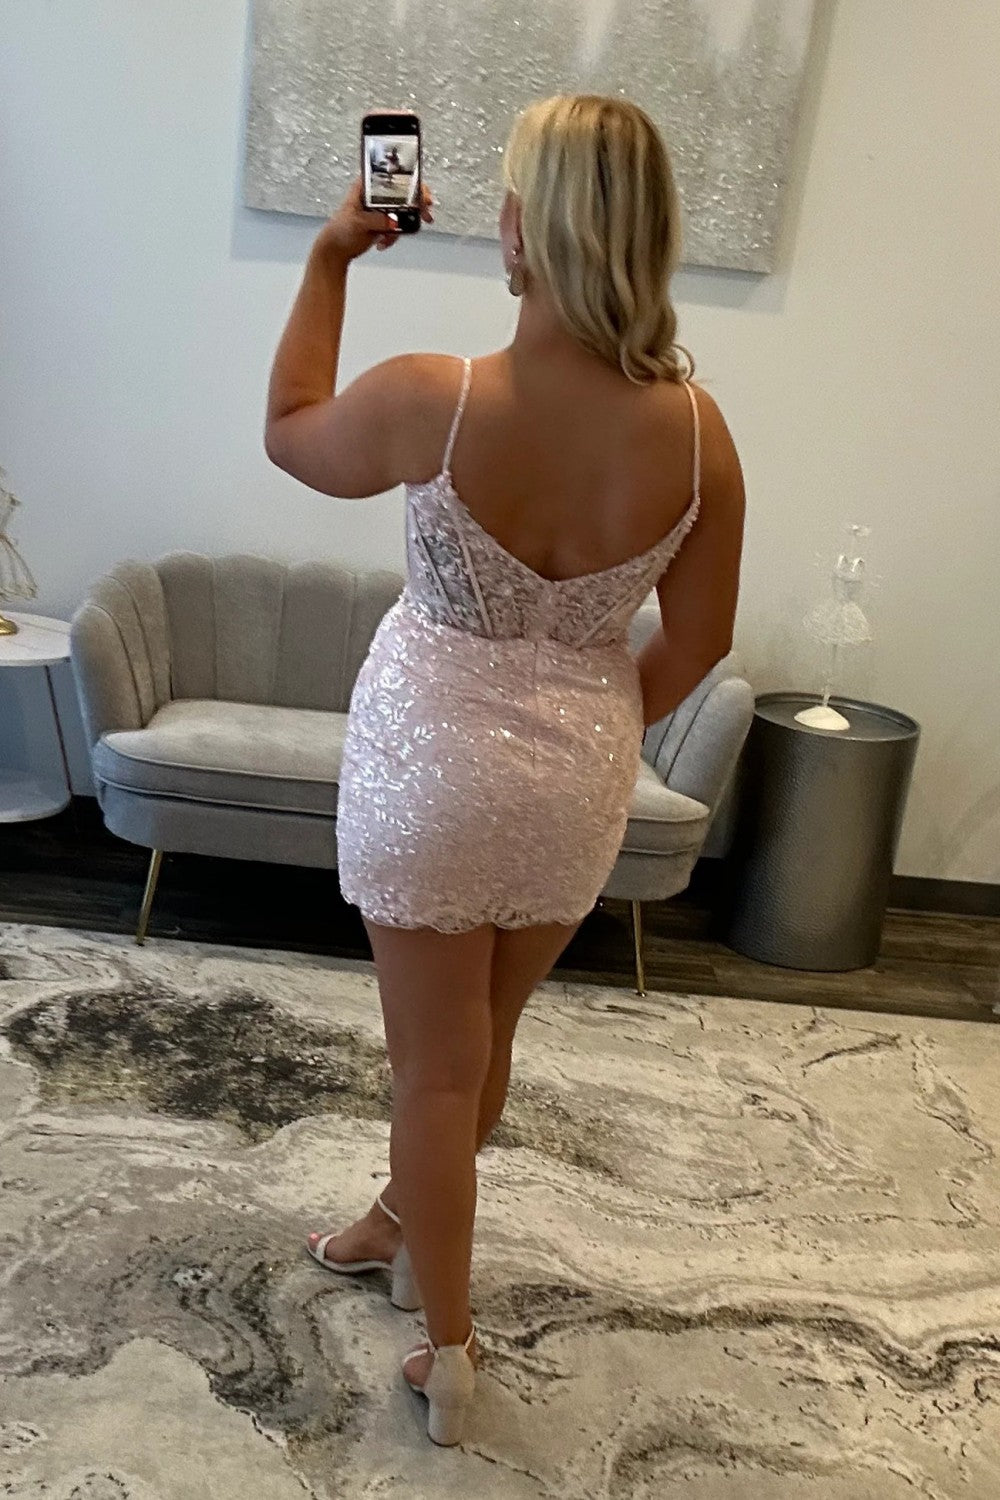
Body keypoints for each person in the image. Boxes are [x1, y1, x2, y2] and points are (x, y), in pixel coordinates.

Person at [264, 93, 745, 1446]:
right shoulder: (700, 434)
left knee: (432, 1067)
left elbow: (291, 428)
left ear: (528, 228)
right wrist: (591, 725)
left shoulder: (442, 397)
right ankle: (394, 1222)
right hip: (573, 785)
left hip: (427, 768)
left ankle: (452, 1348)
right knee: (485, 1041)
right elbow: (700, 638)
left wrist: (330, 258)